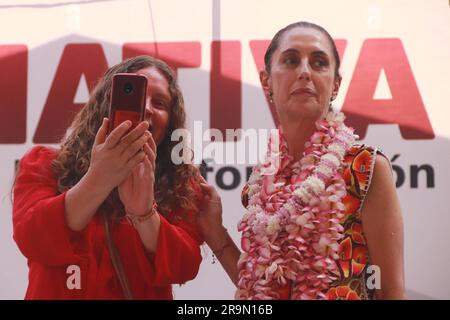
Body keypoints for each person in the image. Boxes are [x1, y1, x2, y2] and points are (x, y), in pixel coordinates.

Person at [198, 21, 405, 300]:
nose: (305, 72)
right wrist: (215, 232)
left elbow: (391, 293)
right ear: (266, 81)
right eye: (291, 60)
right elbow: (262, 291)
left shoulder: (366, 169)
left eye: (319, 62)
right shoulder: (259, 188)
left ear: (335, 85)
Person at [12, 55, 205, 299]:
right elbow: (32, 239)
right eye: (134, 95)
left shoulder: (180, 184)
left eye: (160, 103)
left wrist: (144, 213)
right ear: (106, 104)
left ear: (170, 124)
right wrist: (99, 179)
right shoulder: (46, 164)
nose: (146, 108)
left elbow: (184, 267)